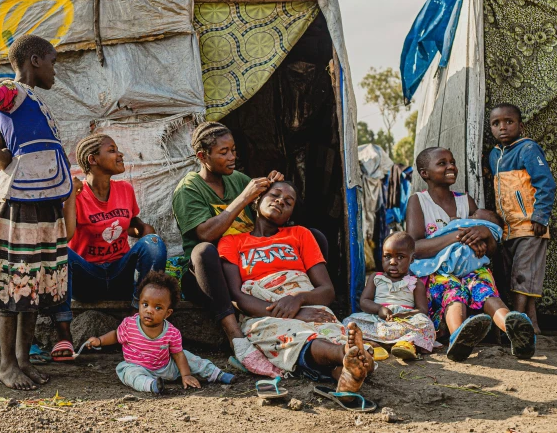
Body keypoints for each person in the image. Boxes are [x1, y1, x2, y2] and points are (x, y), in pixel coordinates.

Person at [0, 34, 71, 390]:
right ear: (35, 60)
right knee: (14, 277)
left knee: (32, 281)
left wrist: (1, 148)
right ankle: (6, 365)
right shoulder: (9, 89)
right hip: (20, 201)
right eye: (52, 61)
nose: (55, 70)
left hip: (42, 197)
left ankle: (22, 360)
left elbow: (1, 131)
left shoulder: (31, 101)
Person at [219, 181, 375, 408]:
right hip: (262, 310)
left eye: (288, 202)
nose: (280, 201)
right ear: (256, 200)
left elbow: (326, 290)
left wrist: (299, 300)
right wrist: (289, 313)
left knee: (328, 328)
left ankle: (348, 372)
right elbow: (236, 295)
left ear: (291, 213)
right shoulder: (232, 241)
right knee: (296, 335)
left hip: (304, 299)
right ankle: (346, 354)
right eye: (275, 195)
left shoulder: (300, 234)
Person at [171, 121, 287, 375]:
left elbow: (269, 221)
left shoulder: (238, 180)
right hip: (209, 277)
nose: (232, 157)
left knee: (309, 236)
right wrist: (244, 197)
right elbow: (205, 233)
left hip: (245, 267)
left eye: (233, 150)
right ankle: (236, 339)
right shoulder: (189, 189)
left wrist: (275, 190)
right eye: (223, 152)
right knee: (204, 251)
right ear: (203, 156)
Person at [43, 133, 167, 360]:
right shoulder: (77, 193)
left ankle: (135, 322)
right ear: (93, 159)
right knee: (58, 251)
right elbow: (66, 236)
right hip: (88, 277)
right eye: (112, 150)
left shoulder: (125, 190)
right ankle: (64, 335)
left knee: (154, 243)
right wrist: (70, 197)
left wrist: (144, 233)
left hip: (119, 274)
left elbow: (133, 226)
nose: (119, 154)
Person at [406, 147, 536, 361]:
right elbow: (415, 249)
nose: (451, 167)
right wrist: (459, 235)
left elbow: (491, 250)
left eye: (452, 161)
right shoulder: (419, 201)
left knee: (484, 290)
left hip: (472, 268)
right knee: (452, 292)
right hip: (438, 270)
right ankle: (459, 337)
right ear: (424, 173)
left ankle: (514, 329)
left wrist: (485, 234)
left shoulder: (466, 201)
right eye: (442, 163)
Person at [84, 271, 234, 394]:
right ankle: (152, 385)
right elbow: (116, 335)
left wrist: (186, 374)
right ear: (139, 304)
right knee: (129, 374)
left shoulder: (171, 333)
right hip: (137, 366)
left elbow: (178, 354)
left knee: (189, 357)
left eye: (158, 308)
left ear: (168, 313)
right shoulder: (129, 325)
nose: (149, 310)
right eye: (145, 304)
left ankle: (216, 373)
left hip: (166, 368)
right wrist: (99, 340)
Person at [488, 103, 555, 335]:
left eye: (509, 122)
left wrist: (540, 216)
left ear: (520, 125)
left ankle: (515, 327)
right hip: (508, 229)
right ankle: (531, 324)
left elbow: (545, 183)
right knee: (514, 275)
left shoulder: (528, 149)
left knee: (523, 273)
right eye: (496, 123)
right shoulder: (494, 155)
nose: (502, 127)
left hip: (530, 225)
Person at [345, 232, 436, 360]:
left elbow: (422, 310)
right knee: (350, 322)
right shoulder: (376, 278)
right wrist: (379, 309)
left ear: (412, 259)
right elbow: (364, 301)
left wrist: (407, 314)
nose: (393, 262)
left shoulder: (416, 283)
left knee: (425, 324)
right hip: (378, 319)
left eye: (400, 257)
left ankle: (405, 345)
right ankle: (373, 344)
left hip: (403, 322)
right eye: (387, 256)